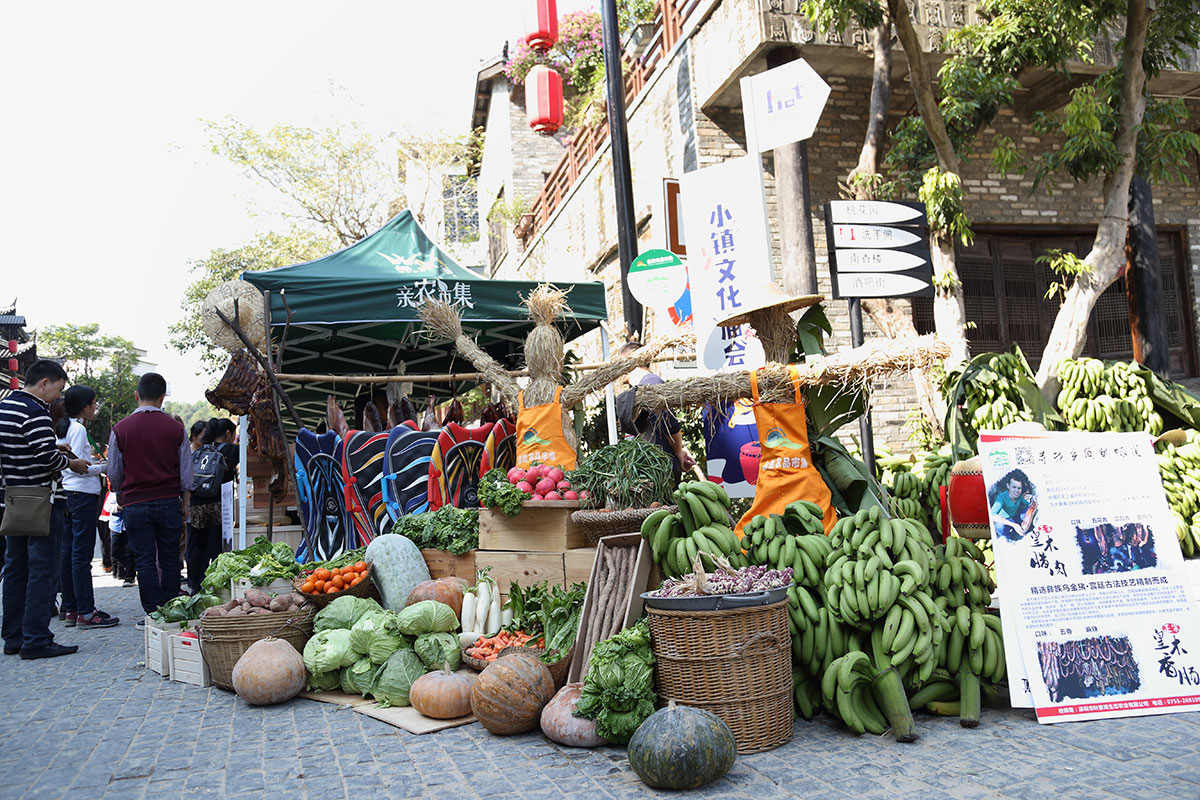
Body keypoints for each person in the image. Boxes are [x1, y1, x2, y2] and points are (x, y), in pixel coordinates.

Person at [0, 359, 89, 659]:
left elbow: (27, 449)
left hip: (14, 499)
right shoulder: (35, 411)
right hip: (42, 501)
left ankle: (13, 637)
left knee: (15, 569)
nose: (58, 397)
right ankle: (36, 639)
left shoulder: (6, 407)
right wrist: (71, 463)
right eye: (58, 390)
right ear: (44, 383)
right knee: (42, 570)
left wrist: (53, 448)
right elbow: (46, 460)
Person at [107, 373, 192, 620]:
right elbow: (186, 470)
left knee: (144, 559)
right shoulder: (176, 428)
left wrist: (120, 494)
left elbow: (114, 470)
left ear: (137, 395)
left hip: (134, 503)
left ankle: (151, 611)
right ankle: (170, 606)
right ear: (163, 397)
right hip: (168, 501)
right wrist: (185, 501)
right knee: (170, 558)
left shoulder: (120, 429)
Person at [54, 385, 118, 628]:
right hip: (82, 494)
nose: (95, 407)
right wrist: (105, 467)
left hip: (67, 494)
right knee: (81, 555)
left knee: (69, 551)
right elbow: (81, 467)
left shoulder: (62, 427)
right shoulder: (78, 428)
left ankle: (70, 608)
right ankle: (86, 611)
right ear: (84, 406)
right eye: (93, 403)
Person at [615, 342, 696, 480]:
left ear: (631, 361)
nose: (616, 371)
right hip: (649, 468)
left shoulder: (652, 383)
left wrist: (678, 453)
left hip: (659, 469)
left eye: (619, 363)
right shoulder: (639, 388)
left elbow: (669, 425)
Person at [186, 418, 237, 594]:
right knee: (215, 547)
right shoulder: (231, 450)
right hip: (218, 505)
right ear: (228, 433)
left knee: (196, 546)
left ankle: (194, 583)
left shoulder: (201, 450)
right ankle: (214, 583)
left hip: (196, 504)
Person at [990, 470, 1036, 541]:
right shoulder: (1001, 498)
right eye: (1014, 487)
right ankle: (1009, 537)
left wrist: (1033, 502)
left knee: (1028, 511)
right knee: (1000, 527)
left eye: (1019, 488)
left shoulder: (1019, 496)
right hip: (1004, 520)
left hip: (1015, 517)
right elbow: (992, 515)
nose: (1016, 491)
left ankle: (1021, 531)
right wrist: (1014, 525)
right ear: (1008, 486)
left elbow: (1028, 504)